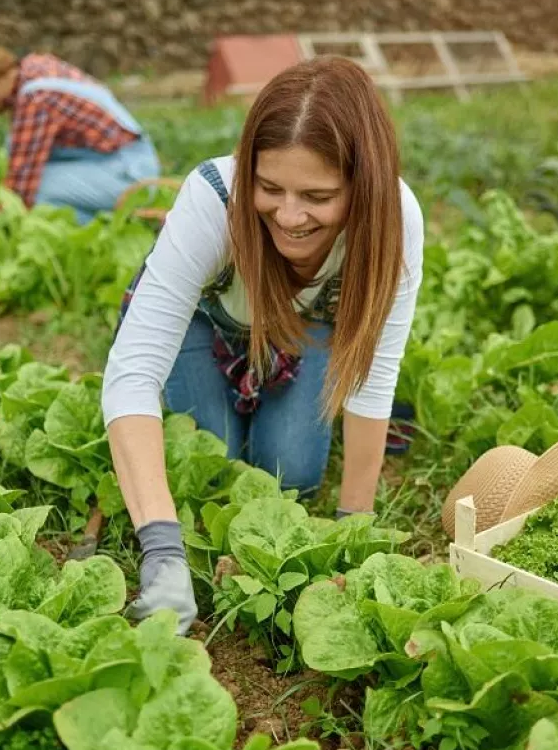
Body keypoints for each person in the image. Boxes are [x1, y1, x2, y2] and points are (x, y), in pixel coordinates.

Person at [101, 56, 424, 634]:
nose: (290, 216)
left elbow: (374, 373)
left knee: (292, 476)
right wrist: (162, 550)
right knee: (212, 467)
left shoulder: (395, 219)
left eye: (318, 197)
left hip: (308, 329)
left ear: (363, 185)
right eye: (270, 188)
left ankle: (264, 390)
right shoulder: (214, 197)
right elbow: (133, 372)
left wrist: (356, 529)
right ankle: (232, 395)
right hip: (208, 324)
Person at [0, 42, 160, 222]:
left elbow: (21, 189)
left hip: (129, 176)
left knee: (35, 192)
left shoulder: (35, 97)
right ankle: (109, 224)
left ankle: (105, 232)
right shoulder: (33, 67)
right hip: (124, 164)